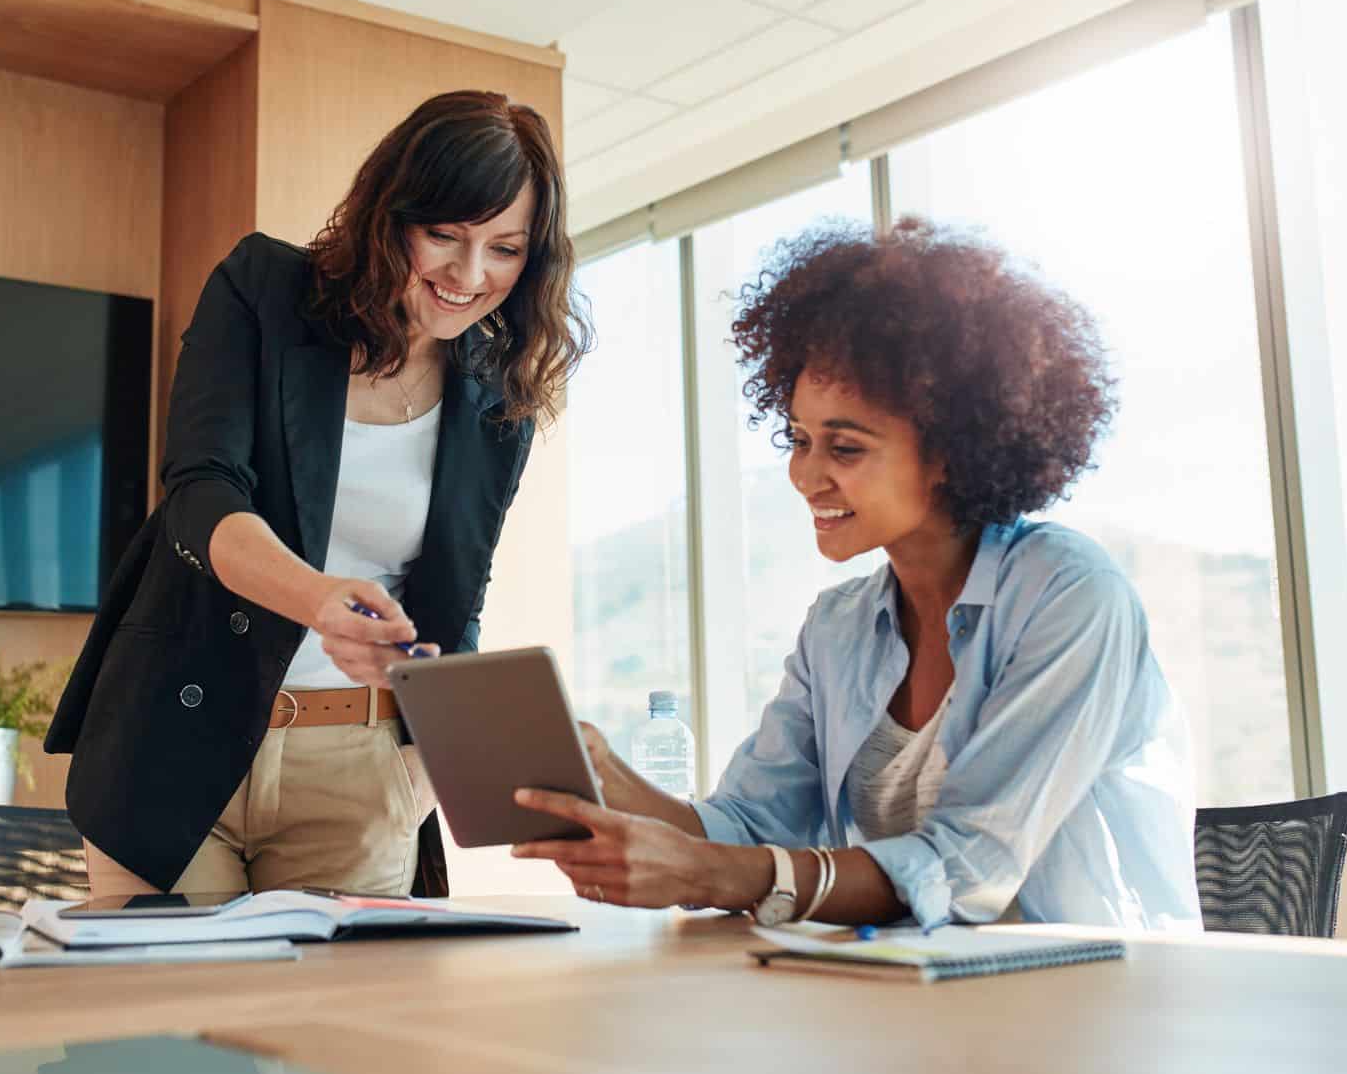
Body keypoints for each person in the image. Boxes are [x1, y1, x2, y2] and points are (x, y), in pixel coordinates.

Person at [514, 217, 1201, 930]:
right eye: (799, 439)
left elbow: (966, 868)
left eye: (844, 447)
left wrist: (713, 872)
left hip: (1105, 998)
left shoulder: (1070, 595)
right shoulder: (839, 628)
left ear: (949, 452)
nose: (807, 475)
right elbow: (751, 829)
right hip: (922, 992)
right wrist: (611, 780)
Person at [45, 90, 590, 900]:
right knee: (160, 1022)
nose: (469, 275)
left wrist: (421, 780)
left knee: (334, 1029)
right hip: (176, 741)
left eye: (504, 249)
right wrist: (317, 598)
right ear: (391, 214)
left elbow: (452, 606)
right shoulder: (265, 292)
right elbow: (200, 494)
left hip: (359, 774)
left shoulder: (494, 402)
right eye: (443, 235)